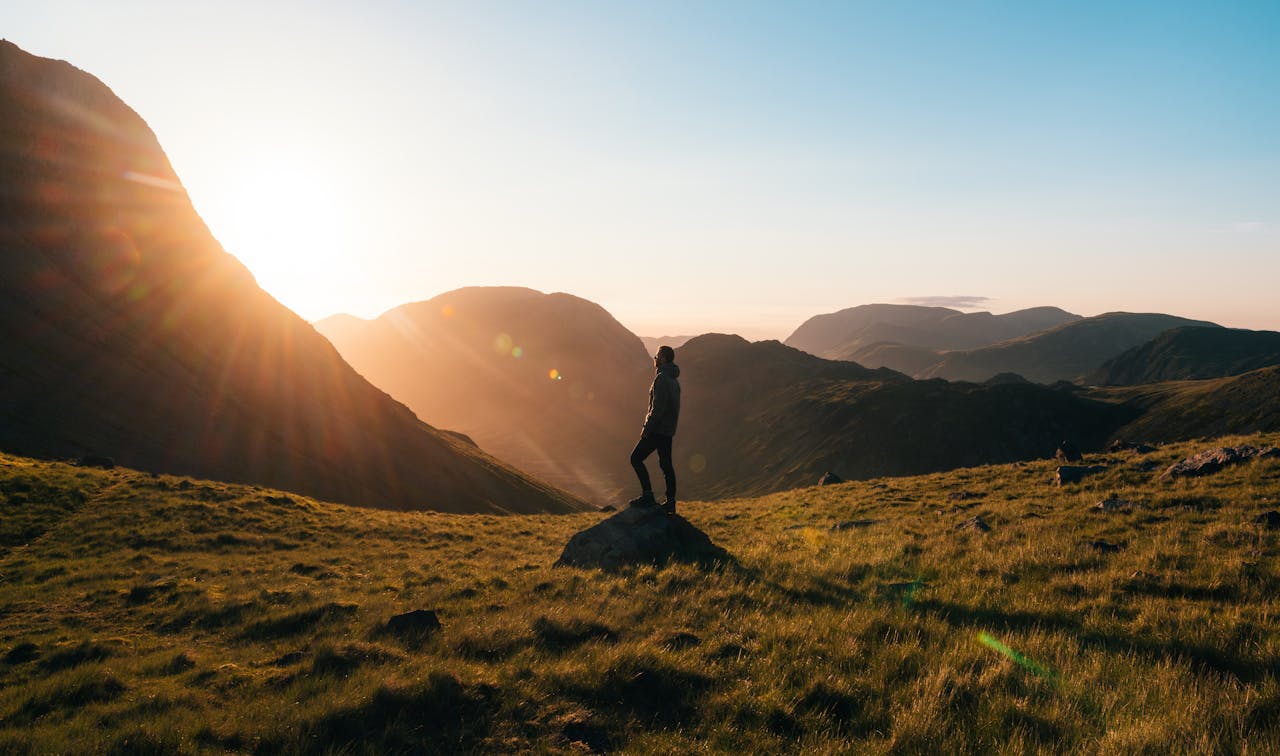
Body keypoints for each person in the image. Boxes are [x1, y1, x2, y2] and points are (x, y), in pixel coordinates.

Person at [630, 345, 681, 514]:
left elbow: (657, 409)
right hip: (667, 431)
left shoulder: (662, 379)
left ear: (664, 358)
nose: (655, 358)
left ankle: (647, 495)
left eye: (658, 355)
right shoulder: (674, 380)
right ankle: (671, 502)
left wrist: (647, 428)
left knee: (636, 458)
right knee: (666, 465)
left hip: (657, 430)